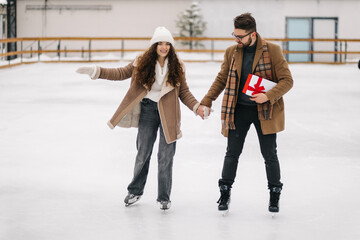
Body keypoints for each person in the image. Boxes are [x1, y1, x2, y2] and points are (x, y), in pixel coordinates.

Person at [76, 26, 200, 210]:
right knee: (143, 153)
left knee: (166, 157)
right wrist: (96, 71)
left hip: (169, 113)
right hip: (148, 111)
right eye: (160, 43)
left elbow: (184, 92)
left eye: (168, 44)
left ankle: (164, 197)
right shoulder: (141, 62)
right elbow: (119, 73)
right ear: (154, 45)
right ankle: (135, 191)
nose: (164, 47)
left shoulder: (177, 66)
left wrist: (197, 106)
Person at [197, 13, 293, 213]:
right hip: (238, 110)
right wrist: (206, 101)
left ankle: (274, 194)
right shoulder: (232, 52)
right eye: (235, 35)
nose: (236, 40)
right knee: (231, 153)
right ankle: (225, 192)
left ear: (253, 34)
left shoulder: (272, 51)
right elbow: (221, 79)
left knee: (270, 155)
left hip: (264, 111)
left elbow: (287, 81)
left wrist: (268, 95)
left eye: (240, 36)